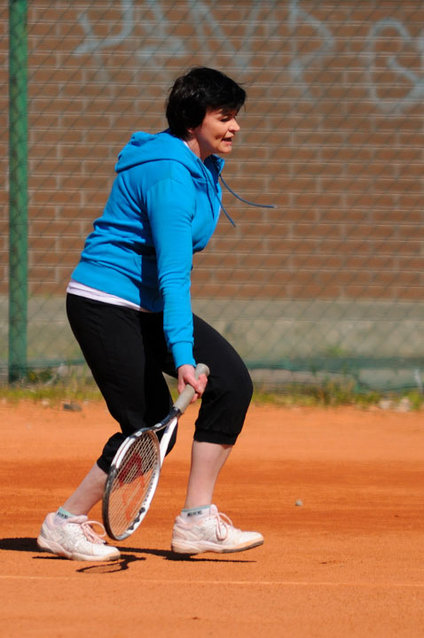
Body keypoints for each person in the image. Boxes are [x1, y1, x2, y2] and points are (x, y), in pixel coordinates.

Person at [37, 67, 264, 561]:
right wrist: (183, 356)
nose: (235, 127)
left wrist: (184, 350)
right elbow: (174, 277)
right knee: (148, 423)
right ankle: (66, 521)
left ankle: (197, 519)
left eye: (235, 117)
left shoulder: (199, 166)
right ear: (192, 121)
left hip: (147, 304)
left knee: (230, 381)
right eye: (224, 117)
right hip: (105, 303)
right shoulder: (169, 177)